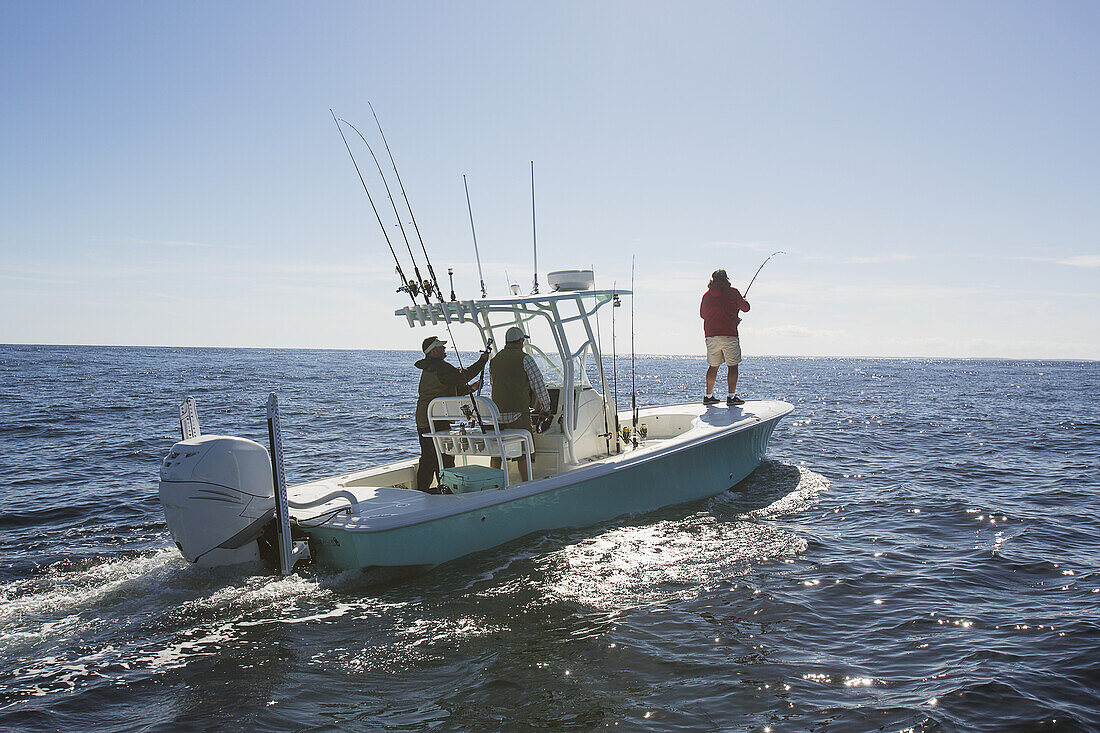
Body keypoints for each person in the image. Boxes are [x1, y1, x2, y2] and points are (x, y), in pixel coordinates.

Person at [414, 336, 490, 492]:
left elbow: (448, 388)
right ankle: (447, 490)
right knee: (443, 456)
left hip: (426, 418)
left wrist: (472, 388)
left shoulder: (432, 367)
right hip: (433, 420)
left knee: (430, 457)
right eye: (441, 347)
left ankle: (423, 491)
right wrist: (482, 361)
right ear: (433, 351)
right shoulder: (439, 367)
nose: (444, 349)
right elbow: (463, 375)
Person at [488, 326, 551, 482]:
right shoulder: (525, 358)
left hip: (496, 416)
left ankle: (492, 482)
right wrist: (546, 406)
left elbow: (493, 383)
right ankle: (526, 482)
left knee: (497, 452)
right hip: (517, 414)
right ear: (521, 341)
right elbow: (538, 384)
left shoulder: (494, 360)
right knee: (524, 451)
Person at [700, 268, 750, 406]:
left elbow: (702, 315)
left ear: (713, 280)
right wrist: (742, 302)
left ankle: (708, 396)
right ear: (726, 279)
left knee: (713, 366)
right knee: (732, 366)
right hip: (729, 335)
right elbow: (746, 308)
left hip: (711, 335)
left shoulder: (706, 295)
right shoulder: (733, 292)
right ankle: (731, 397)